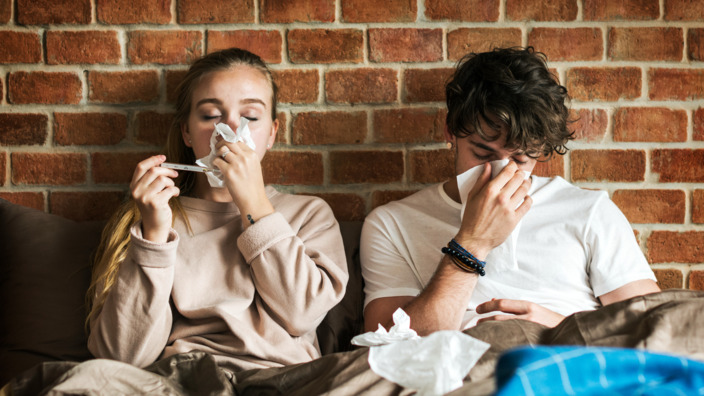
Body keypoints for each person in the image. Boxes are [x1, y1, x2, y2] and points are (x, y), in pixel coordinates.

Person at [360, 46, 660, 335]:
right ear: (450, 130)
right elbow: (383, 346)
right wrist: (472, 243)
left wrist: (560, 327)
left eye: (520, 158)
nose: (499, 173)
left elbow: (652, 329)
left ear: (540, 149)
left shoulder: (590, 210)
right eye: (482, 153)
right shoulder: (392, 223)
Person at [86, 48, 349, 373]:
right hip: (181, 381)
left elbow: (302, 314)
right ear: (186, 132)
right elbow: (120, 358)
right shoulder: (150, 218)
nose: (230, 130)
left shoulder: (309, 214)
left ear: (271, 134)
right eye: (211, 116)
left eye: (251, 117)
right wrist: (153, 238)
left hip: (286, 381)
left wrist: (253, 204)